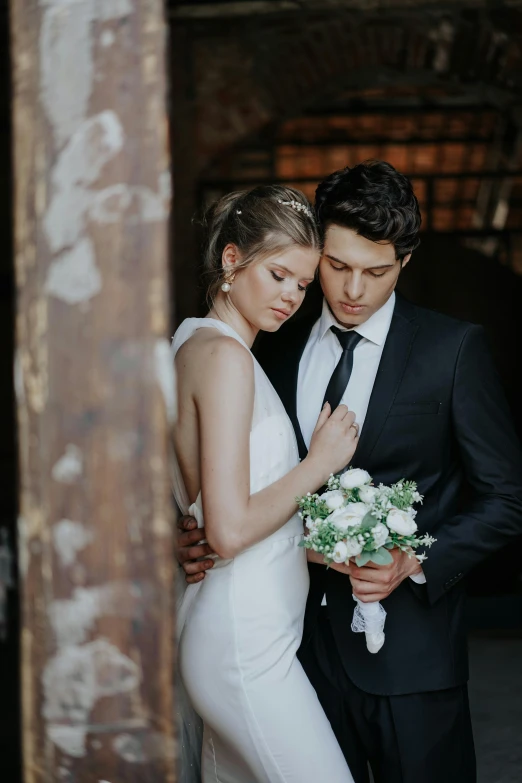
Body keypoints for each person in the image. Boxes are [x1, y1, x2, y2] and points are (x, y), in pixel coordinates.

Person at [179, 161, 522, 783]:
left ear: (406, 262)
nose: (353, 291)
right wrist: (190, 525)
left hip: (414, 666)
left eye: (377, 272)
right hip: (296, 654)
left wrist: (415, 560)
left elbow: (506, 498)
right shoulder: (269, 341)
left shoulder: (453, 350)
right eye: (335, 268)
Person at [171, 184, 358, 783]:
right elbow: (226, 530)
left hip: (246, 628)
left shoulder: (196, 343)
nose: (291, 297)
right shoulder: (225, 359)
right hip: (242, 641)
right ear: (232, 260)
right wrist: (318, 464)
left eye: (303, 285)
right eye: (279, 275)